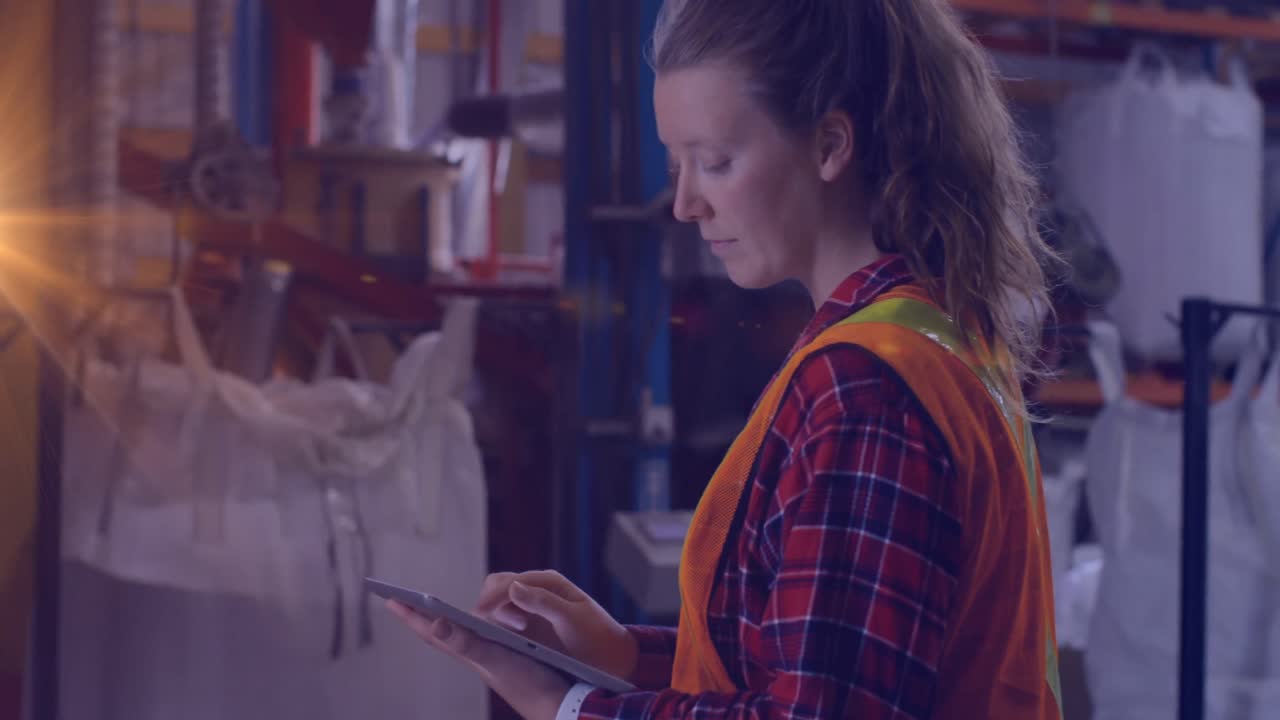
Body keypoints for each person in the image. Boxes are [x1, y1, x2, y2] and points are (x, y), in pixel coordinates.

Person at [386, 0, 1062, 717]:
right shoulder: (924, 335)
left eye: (715, 162)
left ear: (831, 145)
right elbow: (810, 660)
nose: (684, 204)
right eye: (677, 166)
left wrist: (565, 706)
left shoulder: (867, 388)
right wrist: (623, 655)